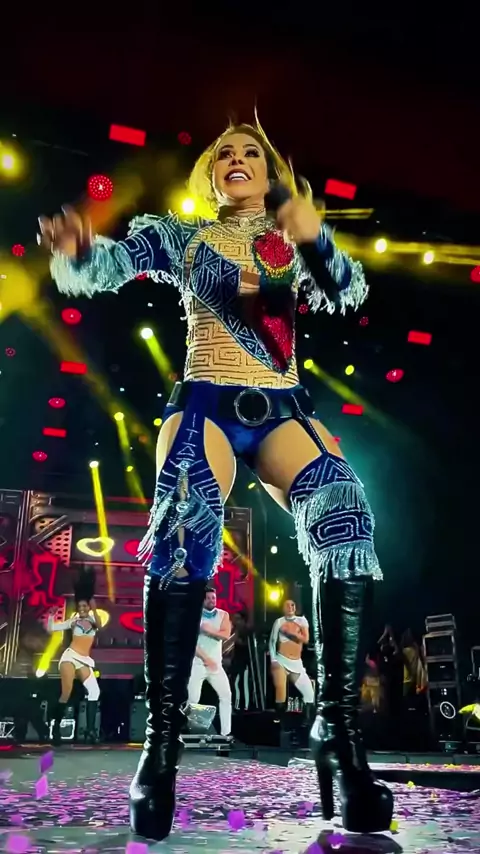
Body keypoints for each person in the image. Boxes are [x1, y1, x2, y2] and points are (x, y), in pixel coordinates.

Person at [41, 117, 392, 839]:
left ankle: (338, 734)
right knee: (187, 516)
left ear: (270, 172)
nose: (237, 158)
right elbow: (115, 261)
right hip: (206, 403)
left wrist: (315, 237)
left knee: (345, 514)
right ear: (210, 174)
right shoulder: (183, 237)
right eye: (224, 152)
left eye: (251, 152)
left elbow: (344, 286)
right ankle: (161, 749)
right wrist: (81, 250)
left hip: (282, 407)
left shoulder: (293, 237)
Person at [46, 569, 102, 744]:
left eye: (85, 606)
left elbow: (99, 624)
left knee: (95, 692)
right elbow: (52, 628)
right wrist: (51, 615)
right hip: (70, 658)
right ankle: (55, 729)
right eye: (80, 607)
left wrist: (94, 608)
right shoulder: (74, 621)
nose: (83, 608)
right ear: (77, 609)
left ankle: (91, 731)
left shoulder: (93, 621)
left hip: (83, 660)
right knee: (66, 693)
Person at [187, 587, 232, 737]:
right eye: (208, 598)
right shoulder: (194, 615)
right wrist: (206, 659)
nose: (212, 600)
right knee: (192, 699)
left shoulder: (223, 614)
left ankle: (226, 733)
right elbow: (191, 643)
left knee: (226, 696)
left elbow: (226, 635)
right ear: (203, 600)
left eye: (213, 597)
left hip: (216, 665)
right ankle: (188, 731)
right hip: (198, 664)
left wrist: (208, 630)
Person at [269, 599, 314, 720]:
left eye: (292, 605)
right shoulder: (279, 622)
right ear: (283, 608)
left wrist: (289, 634)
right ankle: (279, 720)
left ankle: (307, 721)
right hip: (281, 660)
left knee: (309, 693)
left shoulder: (301, 621)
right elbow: (272, 642)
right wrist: (273, 660)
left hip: (296, 663)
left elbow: (306, 639)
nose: (290, 607)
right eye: (287, 605)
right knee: (281, 691)